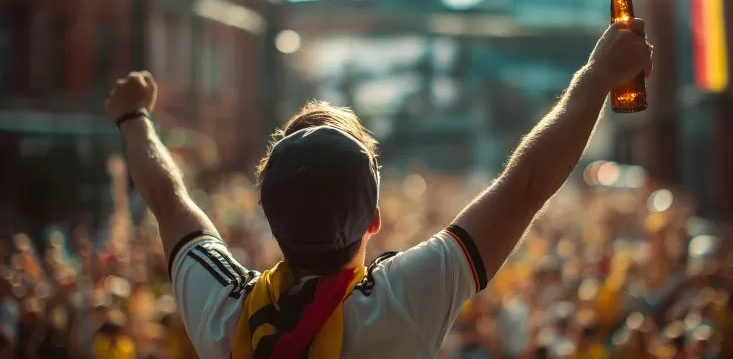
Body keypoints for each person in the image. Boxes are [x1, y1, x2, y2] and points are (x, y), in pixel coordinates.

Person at [104, 18, 652, 358]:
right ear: (373, 220)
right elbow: (525, 185)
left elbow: (168, 199)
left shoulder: (224, 312)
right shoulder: (399, 305)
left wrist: (133, 118)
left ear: (268, 214)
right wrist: (599, 74)